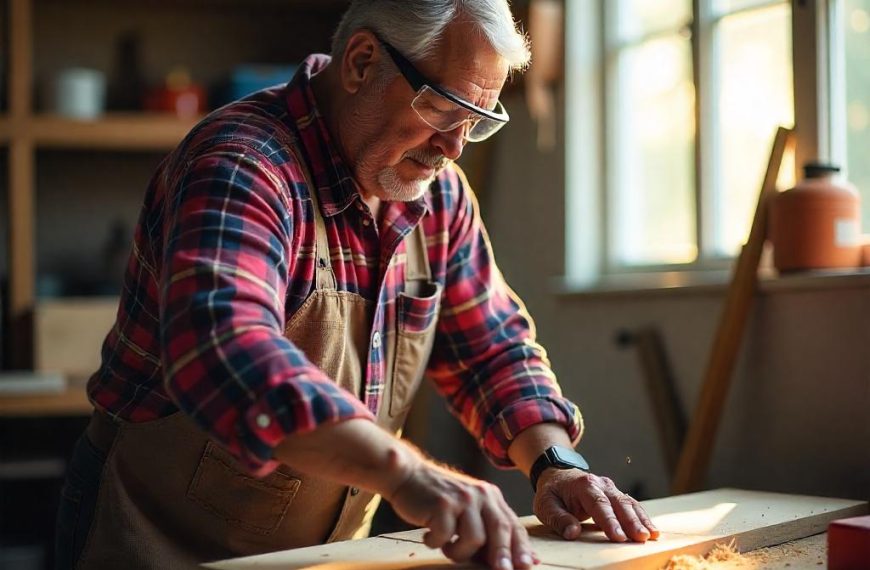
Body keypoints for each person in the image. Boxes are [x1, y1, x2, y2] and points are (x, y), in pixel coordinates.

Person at [55, 1, 659, 569]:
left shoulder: (438, 194)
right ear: (362, 62)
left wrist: (556, 463)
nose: (453, 148)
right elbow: (227, 351)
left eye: (475, 123)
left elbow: (492, 349)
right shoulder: (243, 164)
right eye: (444, 109)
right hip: (156, 536)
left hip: (325, 552)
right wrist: (409, 475)